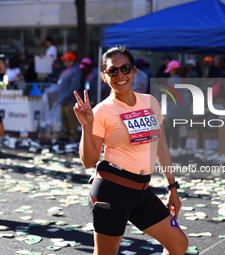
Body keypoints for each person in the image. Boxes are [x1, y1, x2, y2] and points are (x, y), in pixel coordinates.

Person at [73, 46, 188, 255]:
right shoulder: (102, 111)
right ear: (104, 77)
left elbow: (161, 147)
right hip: (112, 191)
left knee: (178, 244)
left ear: (134, 71)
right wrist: (86, 126)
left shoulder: (150, 102)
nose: (120, 75)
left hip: (142, 191)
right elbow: (89, 161)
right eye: (112, 71)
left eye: (125, 68)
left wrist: (173, 188)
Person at [164, 60, 190, 157]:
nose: (170, 72)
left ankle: (174, 149)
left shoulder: (174, 79)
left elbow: (170, 93)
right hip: (184, 107)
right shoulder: (185, 78)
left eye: (170, 70)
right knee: (182, 128)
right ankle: (182, 148)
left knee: (174, 129)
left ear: (174, 70)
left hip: (176, 108)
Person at [57, 52, 82, 143]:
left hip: (70, 100)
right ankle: (66, 135)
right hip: (63, 100)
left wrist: (67, 95)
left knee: (72, 120)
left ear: (71, 60)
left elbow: (74, 85)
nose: (63, 62)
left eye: (65, 60)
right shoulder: (65, 71)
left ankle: (73, 137)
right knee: (64, 119)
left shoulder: (75, 71)